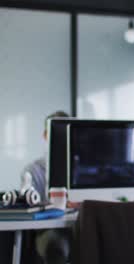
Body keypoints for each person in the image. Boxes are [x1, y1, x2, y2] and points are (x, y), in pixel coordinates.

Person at [20, 110, 70, 264]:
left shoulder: (83, 169)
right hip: (48, 230)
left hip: (81, 226)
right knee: (55, 244)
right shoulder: (32, 171)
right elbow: (29, 206)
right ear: (45, 135)